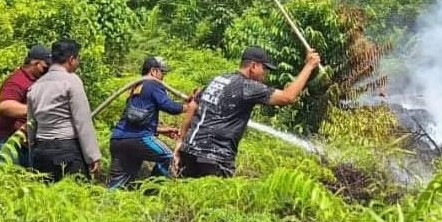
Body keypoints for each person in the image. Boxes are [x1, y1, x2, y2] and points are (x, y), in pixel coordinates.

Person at [173, 45, 321, 179]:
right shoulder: (247, 86)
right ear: (253, 66)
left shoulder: (218, 79)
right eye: (264, 69)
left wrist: (180, 141)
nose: (265, 75)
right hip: (215, 159)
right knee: (214, 206)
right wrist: (309, 66)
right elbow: (287, 97)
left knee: (186, 203)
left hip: (189, 152)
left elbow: (193, 105)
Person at [26, 39, 100, 181]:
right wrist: (93, 156)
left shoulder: (36, 86)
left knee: (47, 199)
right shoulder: (71, 81)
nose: (78, 63)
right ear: (71, 59)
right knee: (75, 198)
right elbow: (82, 121)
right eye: (78, 59)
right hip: (67, 150)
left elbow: (31, 124)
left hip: (41, 151)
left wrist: (33, 153)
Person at [107, 56, 184, 189]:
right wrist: (190, 107)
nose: (163, 77)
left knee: (118, 182)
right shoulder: (153, 84)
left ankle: (104, 206)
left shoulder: (136, 87)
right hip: (139, 138)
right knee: (169, 157)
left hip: (118, 139)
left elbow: (133, 118)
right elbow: (170, 107)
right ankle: (151, 193)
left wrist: (161, 130)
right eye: (162, 72)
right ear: (154, 71)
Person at [0, 45, 51, 163]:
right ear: (35, 64)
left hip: (24, 146)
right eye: (45, 68)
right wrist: (36, 110)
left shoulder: (37, 81)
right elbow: (5, 106)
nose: (47, 71)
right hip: (3, 143)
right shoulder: (17, 81)